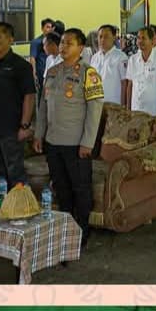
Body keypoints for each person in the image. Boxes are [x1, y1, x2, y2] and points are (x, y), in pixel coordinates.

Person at [33, 27, 103, 246]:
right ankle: (65, 226)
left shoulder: (88, 74)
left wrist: (87, 143)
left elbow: (95, 111)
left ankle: (81, 229)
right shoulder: (52, 72)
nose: (63, 46)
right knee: (61, 186)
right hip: (53, 142)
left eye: (69, 43)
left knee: (80, 188)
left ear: (81, 48)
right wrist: (39, 134)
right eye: (62, 42)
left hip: (76, 144)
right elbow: (43, 107)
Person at [0, 22, 37, 190]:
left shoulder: (21, 66)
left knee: (16, 174)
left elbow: (29, 96)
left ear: (10, 40)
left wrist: (25, 125)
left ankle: (20, 210)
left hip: (11, 130)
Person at [126, 26, 156, 118]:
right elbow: (130, 85)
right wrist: (128, 109)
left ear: (152, 41)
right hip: (136, 111)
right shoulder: (133, 60)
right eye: (138, 38)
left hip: (154, 112)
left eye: (144, 38)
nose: (140, 41)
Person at [92, 24, 129, 106]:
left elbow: (125, 83)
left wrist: (123, 106)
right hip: (97, 104)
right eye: (100, 37)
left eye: (106, 37)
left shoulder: (121, 57)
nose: (102, 40)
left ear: (114, 37)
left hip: (114, 104)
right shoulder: (94, 57)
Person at [29, 18, 56, 88]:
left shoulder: (54, 42)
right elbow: (32, 58)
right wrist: (34, 74)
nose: (49, 29)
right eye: (47, 27)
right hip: (41, 73)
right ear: (42, 28)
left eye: (51, 27)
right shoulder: (36, 42)